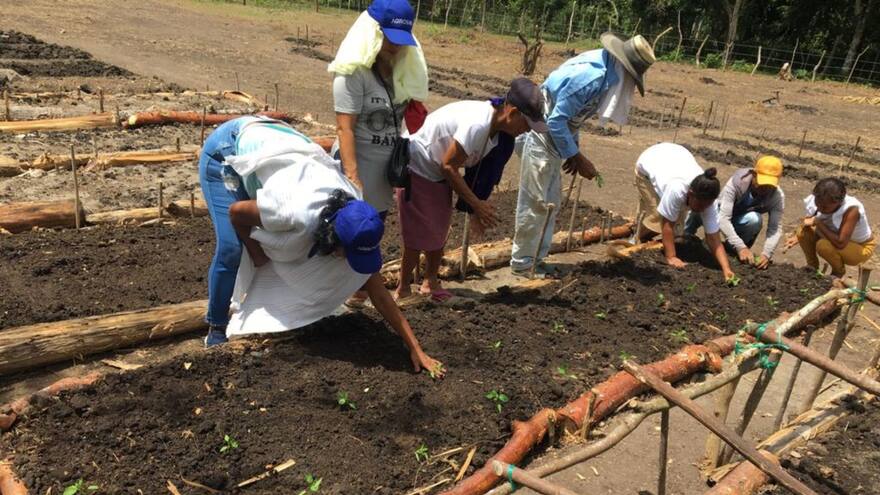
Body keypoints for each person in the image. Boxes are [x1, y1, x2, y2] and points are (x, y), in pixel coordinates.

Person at [198, 116, 444, 377]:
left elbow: (379, 292)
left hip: (281, 146)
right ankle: (216, 326)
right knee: (232, 249)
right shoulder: (293, 213)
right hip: (228, 149)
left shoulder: (357, 215)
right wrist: (258, 255)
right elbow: (237, 214)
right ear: (332, 236)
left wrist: (415, 348)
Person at [510, 32, 655, 277]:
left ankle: (537, 259)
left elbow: (571, 118)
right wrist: (578, 158)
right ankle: (523, 263)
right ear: (624, 67)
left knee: (549, 203)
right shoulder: (592, 77)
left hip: (552, 139)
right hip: (539, 132)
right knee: (535, 203)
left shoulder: (605, 72)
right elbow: (556, 120)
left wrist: (571, 152)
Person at [394, 78, 547, 303]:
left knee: (439, 229)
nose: (525, 131)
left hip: (438, 173)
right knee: (418, 234)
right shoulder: (478, 124)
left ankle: (430, 282)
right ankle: (403, 289)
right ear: (512, 113)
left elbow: (479, 172)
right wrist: (476, 205)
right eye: (526, 124)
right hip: (419, 166)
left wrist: (477, 209)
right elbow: (448, 165)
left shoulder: (498, 134)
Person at [329, 0, 428, 308]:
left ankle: (359, 288)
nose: (394, 47)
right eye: (387, 38)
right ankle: (329, 292)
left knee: (374, 230)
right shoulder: (352, 74)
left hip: (384, 170)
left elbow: (405, 120)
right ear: (372, 33)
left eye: (400, 41)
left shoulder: (400, 72)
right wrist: (353, 179)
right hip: (355, 167)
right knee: (341, 235)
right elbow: (345, 129)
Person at [634, 142, 736, 282]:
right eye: (700, 204)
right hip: (648, 164)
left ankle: (644, 234)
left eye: (706, 206)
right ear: (690, 193)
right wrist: (671, 257)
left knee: (677, 231)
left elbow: (713, 238)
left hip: (676, 158)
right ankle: (635, 236)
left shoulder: (708, 201)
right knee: (658, 219)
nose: (702, 209)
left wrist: (726, 269)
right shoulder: (677, 189)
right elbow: (667, 225)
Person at [685, 156, 784, 270]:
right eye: (762, 182)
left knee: (754, 220)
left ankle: (729, 251)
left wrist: (766, 253)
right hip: (717, 214)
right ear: (754, 174)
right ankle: (686, 236)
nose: (765, 187)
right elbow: (723, 218)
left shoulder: (776, 196)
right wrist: (740, 246)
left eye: (770, 184)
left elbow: (775, 228)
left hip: (738, 220)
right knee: (702, 205)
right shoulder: (737, 182)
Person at [786, 178, 875, 277]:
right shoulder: (819, 199)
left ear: (838, 202)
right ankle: (812, 268)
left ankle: (837, 273)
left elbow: (840, 243)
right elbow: (811, 220)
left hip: (860, 247)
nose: (819, 208)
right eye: (817, 204)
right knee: (802, 232)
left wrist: (818, 222)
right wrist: (798, 237)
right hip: (835, 237)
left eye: (824, 207)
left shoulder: (852, 209)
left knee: (823, 245)